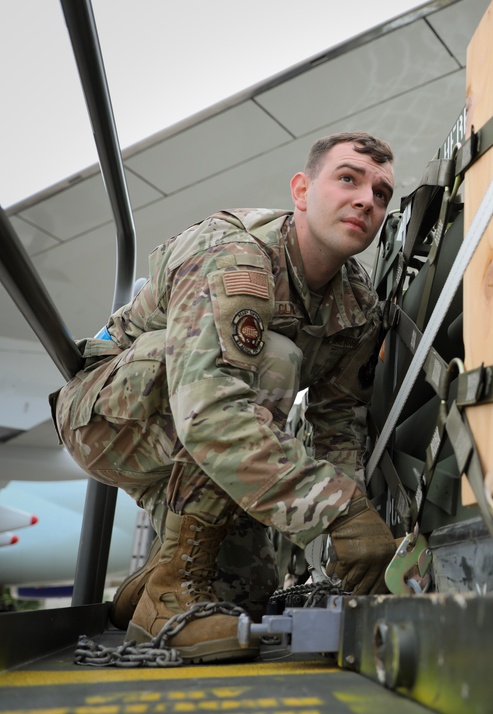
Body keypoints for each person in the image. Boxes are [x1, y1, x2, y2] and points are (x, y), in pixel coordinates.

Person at [51, 132, 398, 663]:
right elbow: (211, 413)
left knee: (246, 598)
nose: (365, 200)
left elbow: (339, 421)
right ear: (302, 191)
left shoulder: (356, 304)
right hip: (110, 418)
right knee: (274, 359)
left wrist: (351, 540)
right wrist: (341, 511)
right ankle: (168, 598)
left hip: (196, 435)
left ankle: (150, 583)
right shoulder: (233, 254)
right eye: (348, 179)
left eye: (381, 193)